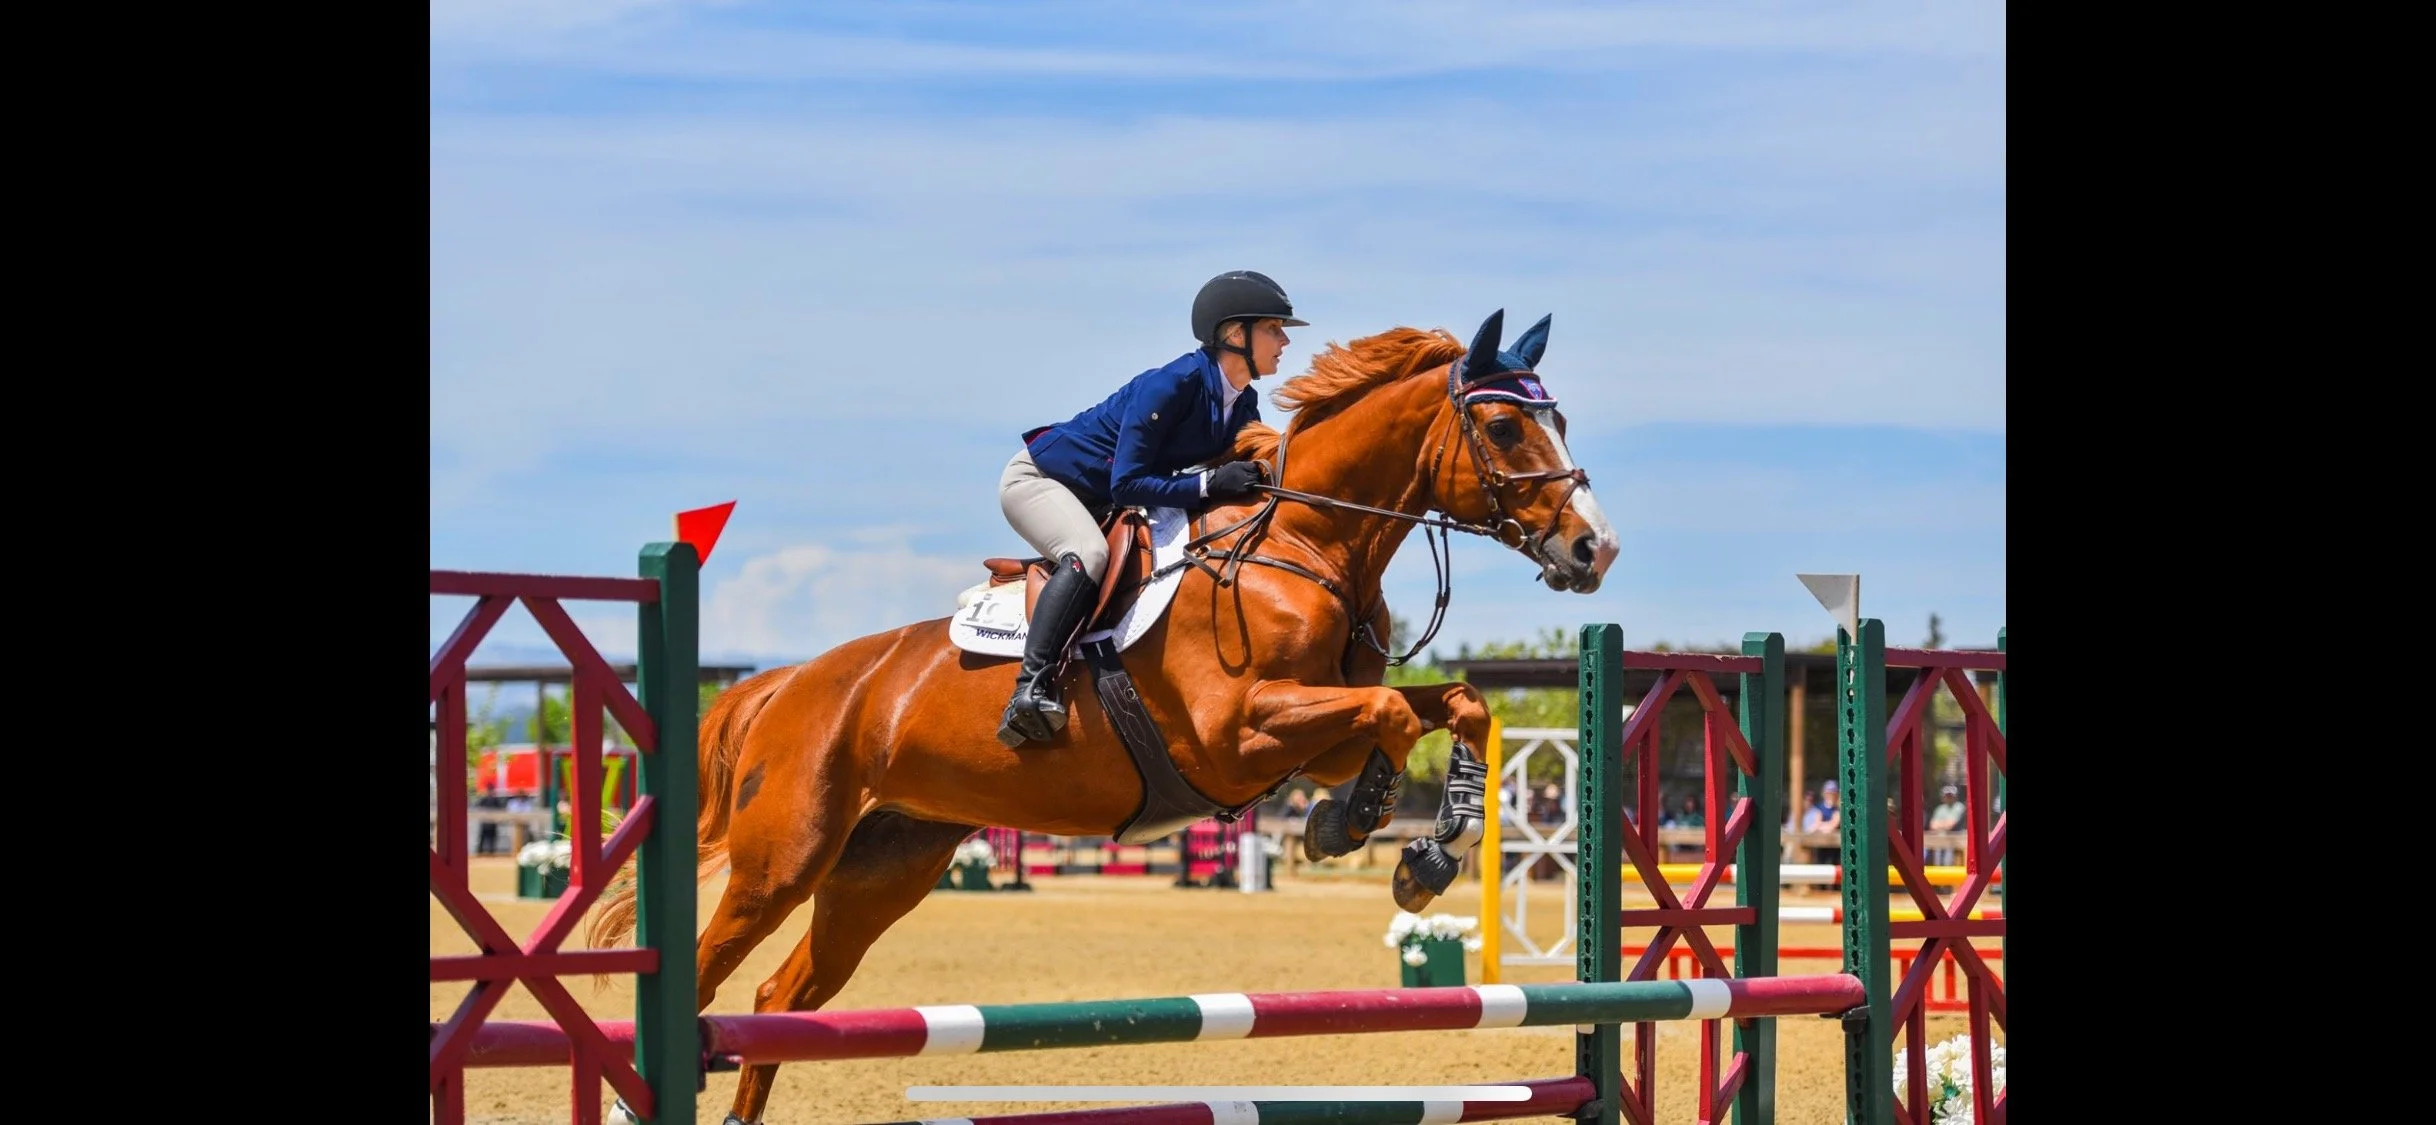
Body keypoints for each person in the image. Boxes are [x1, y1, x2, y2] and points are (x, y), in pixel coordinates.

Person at [995, 270, 1308, 748]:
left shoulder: (1242, 402)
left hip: (1103, 497)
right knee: (1088, 555)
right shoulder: (1172, 384)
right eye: (1273, 328)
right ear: (1233, 334)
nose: (1284, 340)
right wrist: (1208, 482)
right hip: (1043, 482)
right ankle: (1030, 689)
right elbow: (1127, 484)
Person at [1927, 784, 1966, 865]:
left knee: (1948, 858)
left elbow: (1951, 825)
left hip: (1955, 839)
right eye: (1946, 795)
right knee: (1934, 850)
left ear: (1955, 796)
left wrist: (1940, 825)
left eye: (1950, 795)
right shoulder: (1940, 808)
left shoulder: (1959, 807)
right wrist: (1945, 824)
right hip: (1940, 838)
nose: (1948, 797)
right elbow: (1933, 825)